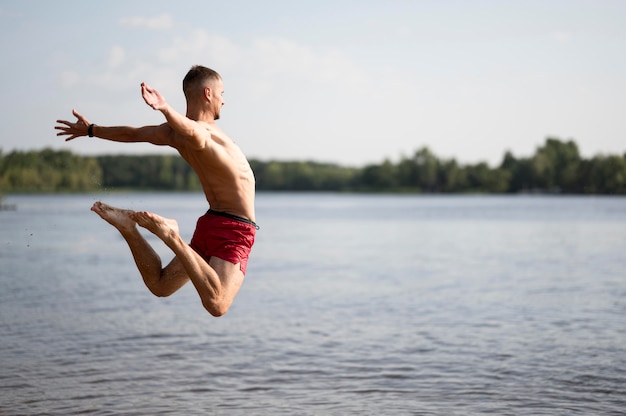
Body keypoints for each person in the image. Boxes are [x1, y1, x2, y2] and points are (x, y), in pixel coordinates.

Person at [55, 65, 258, 317]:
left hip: (212, 222)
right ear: (208, 93)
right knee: (217, 304)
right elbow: (193, 131)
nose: (223, 101)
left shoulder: (173, 134)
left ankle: (128, 228)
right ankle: (172, 236)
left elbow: (133, 134)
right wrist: (164, 108)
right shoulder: (203, 133)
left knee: (161, 285)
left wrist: (91, 130)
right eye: (222, 93)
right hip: (234, 230)